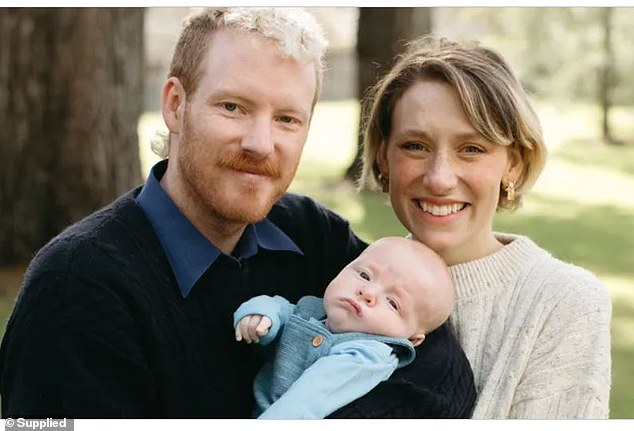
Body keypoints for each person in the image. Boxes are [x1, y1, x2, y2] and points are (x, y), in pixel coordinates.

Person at [0, 9, 474, 419]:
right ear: (175, 105)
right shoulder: (76, 286)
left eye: (287, 119)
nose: (260, 143)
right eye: (233, 107)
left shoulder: (312, 236)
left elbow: (437, 373)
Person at [359, 35, 612, 418]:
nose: (440, 179)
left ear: (514, 163)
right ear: (382, 157)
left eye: (472, 149)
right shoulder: (354, 278)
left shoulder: (565, 303)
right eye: (415, 146)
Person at [234, 236, 471, 419]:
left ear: (413, 339)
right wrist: (263, 317)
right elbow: (282, 309)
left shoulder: (367, 356)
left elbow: (305, 403)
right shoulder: (313, 309)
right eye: (365, 275)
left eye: (392, 302)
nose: (368, 292)